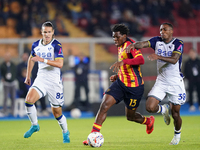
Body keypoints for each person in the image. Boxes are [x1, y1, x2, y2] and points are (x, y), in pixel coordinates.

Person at [83, 24, 155, 145]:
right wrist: (118, 75)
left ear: (124, 36)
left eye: (117, 37)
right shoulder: (120, 45)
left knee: (130, 117)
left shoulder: (130, 45)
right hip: (120, 84)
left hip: (134, 88)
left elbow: (140, 60)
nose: (114, 39)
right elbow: (128, 67)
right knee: (104, 105)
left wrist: (124, 61)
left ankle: (148, 121)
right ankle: (93, 135)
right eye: (113, 37)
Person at [124, 22, 186, 145]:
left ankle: (177, 135)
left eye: (165, 30)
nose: (162, 32)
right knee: (150, 107)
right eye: (161, 30)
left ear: (171, 31)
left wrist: (158, 56)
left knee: (175, 114)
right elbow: (143, 44)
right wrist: (133, 45)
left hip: (175, 83)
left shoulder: (178, 43)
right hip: (161, 81)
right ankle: (163, 109)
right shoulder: (156, 40)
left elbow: (174, 60)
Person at [23, 21, 70, 143]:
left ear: (53, 32)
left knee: (57, 113)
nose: (47, 34)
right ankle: (35, 125)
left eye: (49, 32)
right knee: (28, 100)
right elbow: (31, 59)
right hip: (41, 79)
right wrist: (28, 76)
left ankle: (65, 132)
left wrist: (42, 60)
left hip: (54, 82)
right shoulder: (35, 45)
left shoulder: (56, 45)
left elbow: (60, 64)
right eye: (45, 32)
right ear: (41, 32)